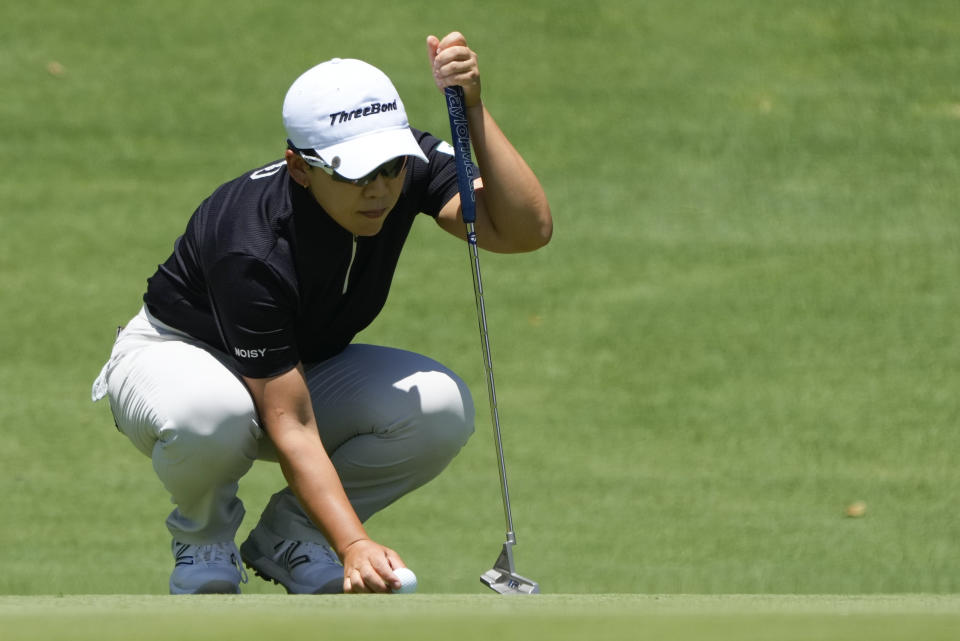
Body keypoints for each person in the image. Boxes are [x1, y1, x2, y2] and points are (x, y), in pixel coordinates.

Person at [90, 32, 552, 595]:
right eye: (354, 174)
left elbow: (524, 230)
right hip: (175, 362)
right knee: (213, 415)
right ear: (300, 167)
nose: (379, 189)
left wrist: (473, 106)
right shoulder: (251, 242)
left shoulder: (410, 165)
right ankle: (204, 538)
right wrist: (355, 544)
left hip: (298, 369)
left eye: (390, 168)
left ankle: (289, 537)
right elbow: (291, 423)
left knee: (438, 407)